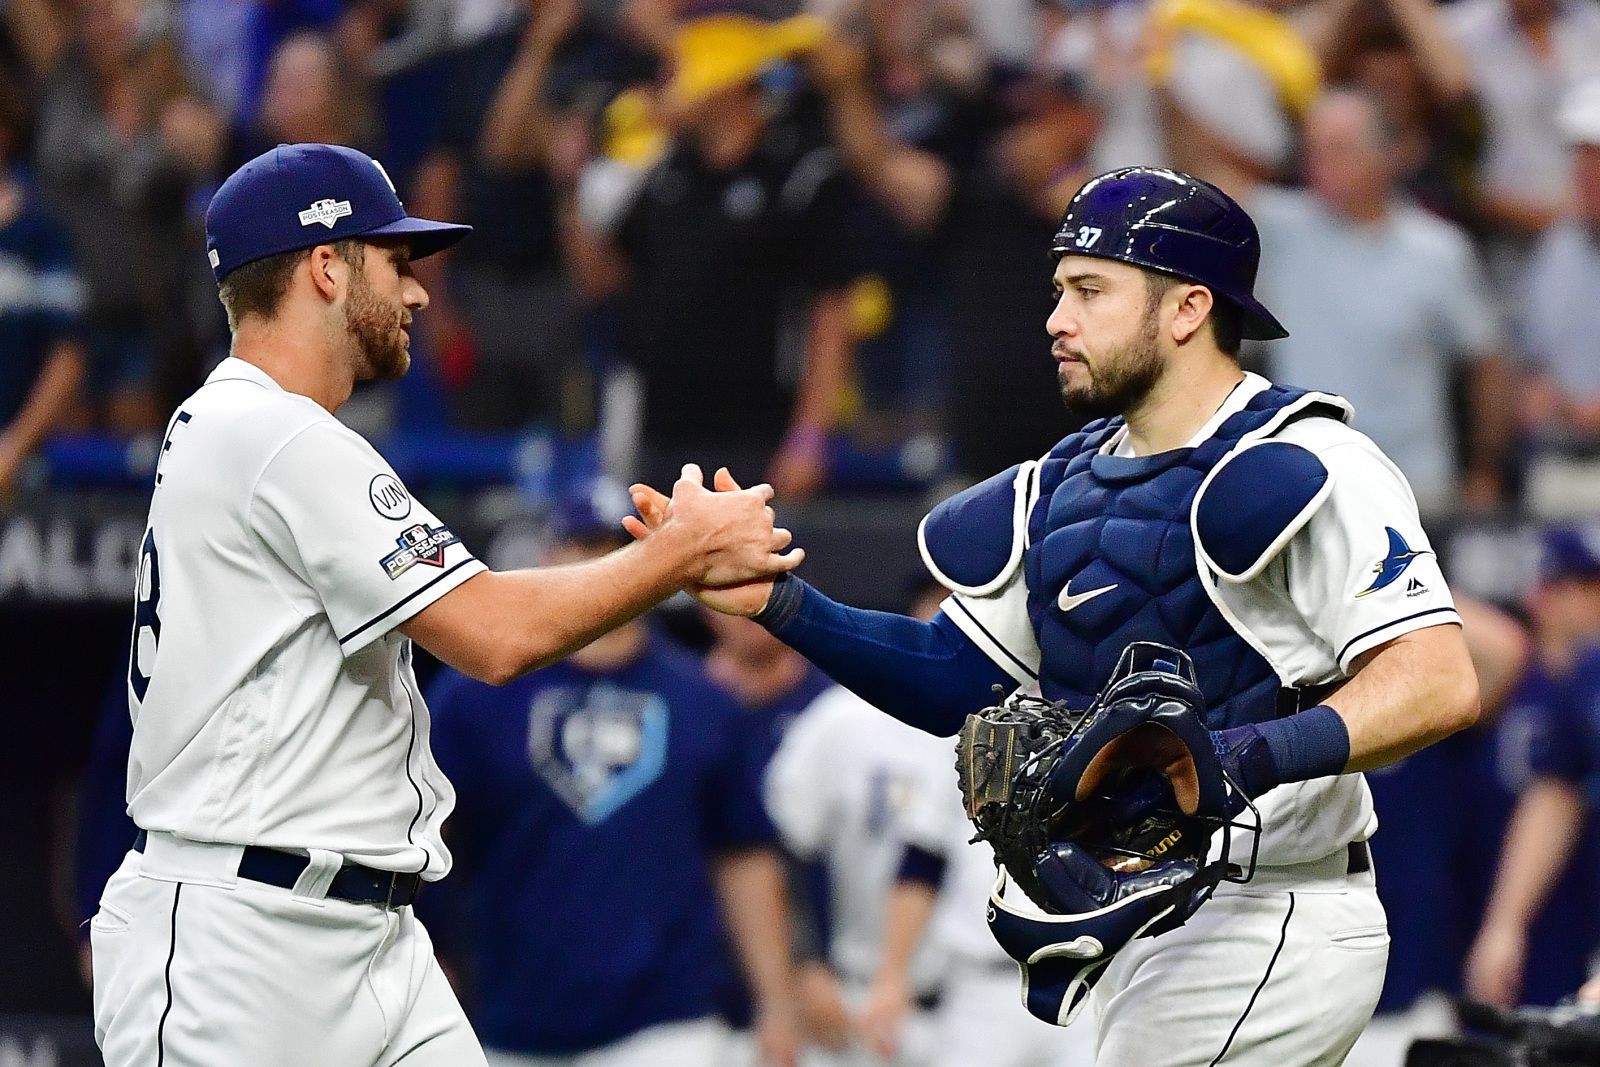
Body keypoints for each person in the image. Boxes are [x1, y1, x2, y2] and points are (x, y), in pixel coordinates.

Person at [628, 166, 1481, 1065]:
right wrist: (778, 602)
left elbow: (1436, 681)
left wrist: (1241, 756)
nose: (1056, 319)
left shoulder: (1310, 462)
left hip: (1270, 909)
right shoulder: (1058, 488)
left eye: (1090, 290)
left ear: (1188, 309)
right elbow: (952, 675)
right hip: (1137, 927)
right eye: (1059, 291)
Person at [86, 141, 799, 1067]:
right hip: (244, 940)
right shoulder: (274, 435)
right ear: (327, 267)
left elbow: (490, 603)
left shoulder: (242, 427)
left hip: (367, 936)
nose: (420, 292)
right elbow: (496, 635)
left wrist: (662, 557)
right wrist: (681, 552)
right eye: (397, 262)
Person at [423, 478, 800, 1067]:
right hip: (512, 1018)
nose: (604, 565)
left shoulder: (704, 700)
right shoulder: (475, 697)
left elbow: (745, 855)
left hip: (669, 1020)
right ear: (549, 558)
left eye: (621, 548)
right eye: (585, 548)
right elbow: (426, 843)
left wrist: (776, 1001)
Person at [1248, 88, 1512, 514]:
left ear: (1383, 155)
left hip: (1411, 486)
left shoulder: (1437, 250)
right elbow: (1197, 173)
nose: (1320, 166)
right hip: (1302, 485)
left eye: (1338, 151)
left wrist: (1486, 469)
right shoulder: (1277, 227)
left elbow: (1486, 362)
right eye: (1313, 151)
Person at [1464, 526, 1600, 1009]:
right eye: (1578, 587)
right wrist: (1505, 923)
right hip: (1513, 912)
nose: (1591, 601)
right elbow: (1556, 793)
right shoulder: (1575, 678)